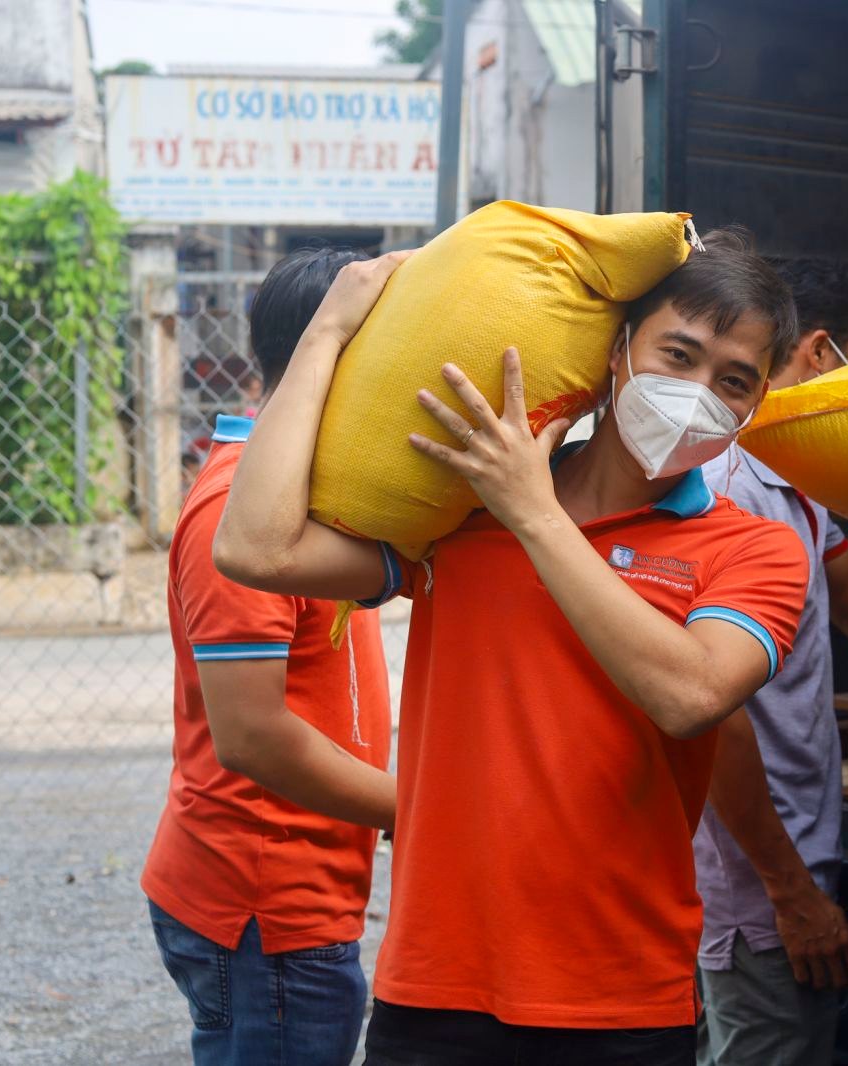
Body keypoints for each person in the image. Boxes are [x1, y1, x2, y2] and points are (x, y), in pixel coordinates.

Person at [213, 230, 811, 1065]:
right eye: (678, 353)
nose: (696, 391)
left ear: (752, 408)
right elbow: (255, 550)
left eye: (733, 381)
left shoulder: (755, 550)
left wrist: (535, 511)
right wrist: (325, 335)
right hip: (432, 986)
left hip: (620, 1003)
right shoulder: (463, 515)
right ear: (616, 354)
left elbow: (692, 696)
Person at [141, 247, 396, 1066]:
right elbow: (251, 736)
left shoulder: (309, 491)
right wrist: (415, 809)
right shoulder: (236, 509)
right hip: (264, 903)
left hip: (294, 890)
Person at [695, 258, 848, 1066]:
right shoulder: (727, 486)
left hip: (793, 854)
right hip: (757, 879)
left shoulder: (793, 478)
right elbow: (711, 714)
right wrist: (789, 895)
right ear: (822, 352)